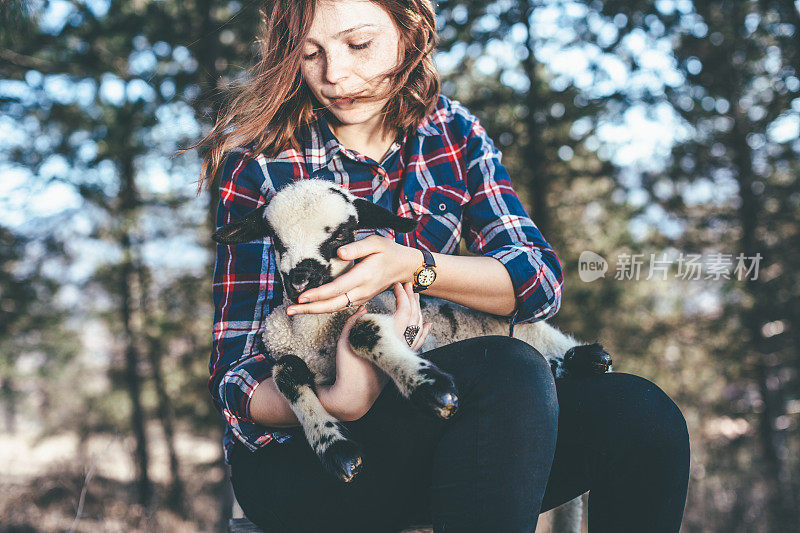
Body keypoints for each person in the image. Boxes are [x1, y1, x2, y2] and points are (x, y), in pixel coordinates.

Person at [192, 1, 690, 531]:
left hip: (440, 414)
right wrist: (338, 399)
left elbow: (537, 281)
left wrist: (415, 265)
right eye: (309, 54)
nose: (335, 75)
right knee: (510, 369)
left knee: (643, 415)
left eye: (358, 44)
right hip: (306, 462)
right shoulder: (259, 163)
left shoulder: (452, 132)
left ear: (409, 31)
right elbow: (234, 375)